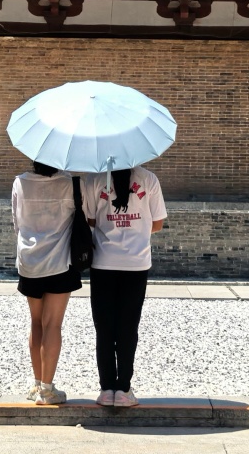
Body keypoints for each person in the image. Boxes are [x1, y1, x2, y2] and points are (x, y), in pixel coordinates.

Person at [85, 165, 166, 407]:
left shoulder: (95, 180)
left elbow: (90, 219)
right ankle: (123, 390)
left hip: (103, 262)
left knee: (104, 328)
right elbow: (157, 224)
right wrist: (136, 228)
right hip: (136, 263)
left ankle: (106, 389)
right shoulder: (148, 179)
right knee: (128, 328)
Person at [11, 160, 83, 405]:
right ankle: (47, 389)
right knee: (53, 324)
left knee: (36, 322)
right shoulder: (70, 182)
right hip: (60, 261)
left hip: (30, 261)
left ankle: (36, 385)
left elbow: (16, 222)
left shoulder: (20, 182)